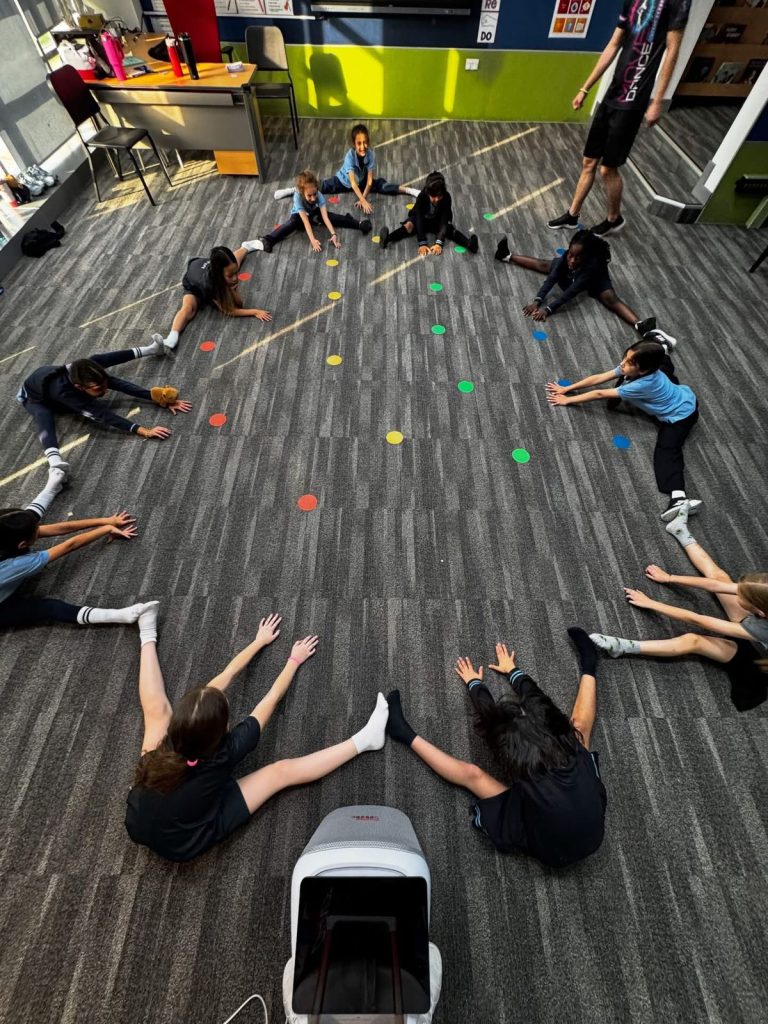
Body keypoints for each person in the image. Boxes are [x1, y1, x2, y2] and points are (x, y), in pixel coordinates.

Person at [125, 614, 390, 863]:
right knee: (280, 773)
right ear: (220, 734)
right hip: (184, 840)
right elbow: (271, 699)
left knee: (157, 712)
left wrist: (258, 641)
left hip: (138, 821)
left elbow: (226, 676)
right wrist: (293, 660)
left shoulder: (169, 739)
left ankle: (146, 631)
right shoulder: (229, 751)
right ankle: (367, 739)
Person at [385, 637, 606, 868]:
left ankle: (403, 733)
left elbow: (494, 722)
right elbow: (539, 702)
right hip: (593, 835)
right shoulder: (570, 743)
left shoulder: (527, 777)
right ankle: (590, 666)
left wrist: (474, 683)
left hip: (550, 848)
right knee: (579, 727)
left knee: (473, 775)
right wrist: (513, 671)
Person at [585, 502, 768, 712]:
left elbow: (697, 619)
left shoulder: (760, 628)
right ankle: (680, 530)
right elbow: (716, 584)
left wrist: (652, 603)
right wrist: (670, 578)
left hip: (760, 663)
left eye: (743, 595)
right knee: (720, 577)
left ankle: (623, 647)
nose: (736, 592)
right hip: (758, 628)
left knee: (694, 640)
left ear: (760, 611)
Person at [548, 0, 691, 236]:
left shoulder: (677, 3)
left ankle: (614, 218)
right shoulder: (632, 2)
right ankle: (572, 215)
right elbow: (613, 45)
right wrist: (585, 88)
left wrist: (657, 101)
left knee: (607, 169)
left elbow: (672, 51)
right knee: (588, 162)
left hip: (633, 102)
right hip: (612, 95)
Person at [546, 339, 699, 519]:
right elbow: (600, 377)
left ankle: (678, 497)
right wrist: (567, 388)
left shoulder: (641, 385)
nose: (622, 364)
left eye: (629, 362)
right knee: (664, 370)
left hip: (681, 415)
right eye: (625, 358)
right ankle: (661, 346)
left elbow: (599, 393)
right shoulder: (639, 368)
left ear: (643, 370)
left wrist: (568, 400)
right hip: (678, 390)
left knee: (667, 450)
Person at [17, 343, 192, 475]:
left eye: (104, 385)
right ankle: (54, 462)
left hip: (48, 375)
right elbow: (102, 415)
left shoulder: (87, 366)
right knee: (44, 416)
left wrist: (158, 397)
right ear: (79, 387)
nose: (106, 391)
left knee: (104, 365)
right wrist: (143, 430)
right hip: (34, 397)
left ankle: (151, 349)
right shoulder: (63, 393)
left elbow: (118, 382)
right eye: (98, 389)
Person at [0, 485, 157, 628]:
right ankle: (123, 615)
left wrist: (106, 520)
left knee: (21, 523)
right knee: (48, 607)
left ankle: (52, 485)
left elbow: (61, 528)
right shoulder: (17, 564)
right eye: (37, 531)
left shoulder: (5, 535)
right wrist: (106, 528)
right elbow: (70, 545)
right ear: (22, 545)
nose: (40, 529)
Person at [495, 228, 675, 344]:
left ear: (587, 256)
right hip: (576, 275)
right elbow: (552, 279)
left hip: (595, 279)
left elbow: (572, 291)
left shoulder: (593, 265)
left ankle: (642, 327)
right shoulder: (568, 257)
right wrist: (537, 301)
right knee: (545, 265)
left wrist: (548, 309)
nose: (572, 260)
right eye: (570, 255)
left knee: (610, 298)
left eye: (577, 257)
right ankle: (506, 256)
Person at [275, 123, 420, 213]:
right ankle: (292, 190)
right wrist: (363, 201)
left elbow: (369, 182)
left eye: (365, 142)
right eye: (359, 143)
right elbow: (352, 183)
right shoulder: (349, 156)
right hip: (343, 181)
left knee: (382, 185)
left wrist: (363, 198)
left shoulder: (371, 154)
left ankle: (409, 190)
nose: (363, 146)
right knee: (319, 186)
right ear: (353, 144)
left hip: (362, 182)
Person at [159, 245, 273, 351]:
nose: (235, 278)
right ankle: (172, 336)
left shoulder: (227, 272)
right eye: (231, 276)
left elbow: (239, 303)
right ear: (219, 275)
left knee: (235, 263)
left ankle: (245, 247)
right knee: (188, 308)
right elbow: (230, 310)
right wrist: (255, 312)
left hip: (201, 265)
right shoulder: (210, 285)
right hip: (193, 282)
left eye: (236, 273)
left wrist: (234, 288)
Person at [243, 170, 372, 255]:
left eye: (314, 194)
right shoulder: (298, 197)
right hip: (300, 216)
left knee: (332, 216)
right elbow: (305, 222)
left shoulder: (319, 196)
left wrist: (333, 234)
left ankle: (359, 223)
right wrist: (313, 240)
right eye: (309, 195)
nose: (313, 198)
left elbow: (326, 217)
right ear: (301, 192)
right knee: (292, 223)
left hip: (314, 213)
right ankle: (267, 240)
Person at [378, 171, 478, 255]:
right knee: (409, 225)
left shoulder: (446, 197)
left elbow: (444, 220)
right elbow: (419, 218)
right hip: (421, 219)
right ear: (428, 192)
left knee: (450, 230)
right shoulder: (422, 196)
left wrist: (439, 242)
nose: (437, 199)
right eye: (433, 196)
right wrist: (422, 242)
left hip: (437, 221)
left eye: (439, 196)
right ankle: (387, 239)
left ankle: (469, 244)